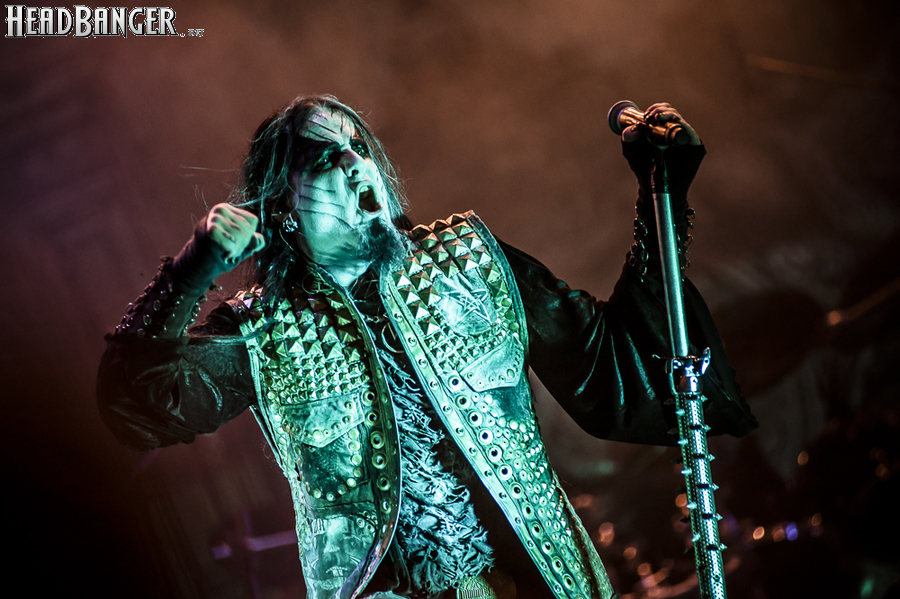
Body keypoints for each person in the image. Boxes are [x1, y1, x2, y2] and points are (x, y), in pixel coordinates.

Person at [98, 95, 756, 599]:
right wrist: (188, 274)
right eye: (323, 157)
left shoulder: (470, 264)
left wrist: (661, 197)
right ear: (284, 205)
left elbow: (618, 369)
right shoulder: (264, 329)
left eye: (358, 146)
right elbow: (139, 406)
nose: (353, 161)